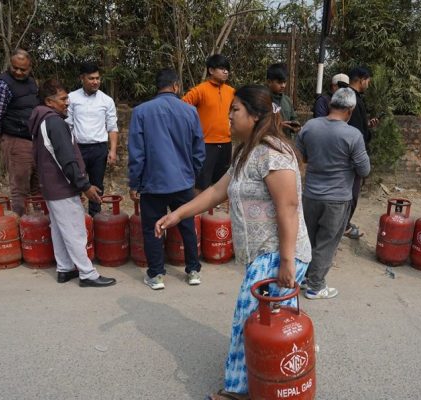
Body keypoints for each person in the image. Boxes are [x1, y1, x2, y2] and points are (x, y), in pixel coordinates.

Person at [155, 85, 311, 399]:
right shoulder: (245, 152)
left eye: (235, 109)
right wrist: (177, 215)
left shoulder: (273, 153)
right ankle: (273, 382)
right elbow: (216, 191)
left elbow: (289, 207)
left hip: (276, 253)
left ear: (255, 115)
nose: (229, 116)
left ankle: (238, 390)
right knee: (264, 322)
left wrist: (286, 261)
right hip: (262, 255)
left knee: (247, 319)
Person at [28, 79, 116, 288]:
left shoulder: (41, 120)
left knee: (59, 229)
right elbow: (66, 160)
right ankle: (87, 274)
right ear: (49, 101)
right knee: (75, 230)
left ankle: (65, 268)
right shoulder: (55, 123)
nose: (67, 102)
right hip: (62, 186)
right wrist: (85, 186)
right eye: (63, 99)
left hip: (50, 186)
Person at [128, 69, 205, 289]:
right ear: (176, 86)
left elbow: (137, 153)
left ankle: (156, 275)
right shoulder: (190, 111)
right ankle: (193, 271)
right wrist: (191, 174)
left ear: (158, 86)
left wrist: (135, 183)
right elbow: (199, 150)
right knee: (187, 225)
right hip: (183, 182)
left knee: (153, 228)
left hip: (153, 184)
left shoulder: (141, 112)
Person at [297, 88, 371, 300]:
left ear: (331, 105)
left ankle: (304, 277)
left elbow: (301, 156)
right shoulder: (353, 135)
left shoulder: (310, 126)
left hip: (310, 195)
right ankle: (315, 286)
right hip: (337, 199)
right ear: (350, 110)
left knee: (308, 239)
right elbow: (364, 170)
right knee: (326, 243)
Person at [0, 49, 39, 216]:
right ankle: (21, 224)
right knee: (20, 189)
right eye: (15, 67)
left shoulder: (32, 83)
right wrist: (9, 134)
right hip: (16, 141)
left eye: (23, 69)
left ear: (30, 67)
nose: (18, 72)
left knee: (39, 187)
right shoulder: (2, 85)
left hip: (35, 140)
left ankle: (40, 223)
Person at [67, 62, 119, 217]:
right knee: (76, 183)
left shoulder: (106, 100)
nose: (95, 81)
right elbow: (68, 125)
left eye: (97, 78)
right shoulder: (71, 98)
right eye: (91, 78)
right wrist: (69, 149)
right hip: (78, 148)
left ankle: (96, 217)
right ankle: (76, 217)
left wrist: (113, 151)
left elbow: (112, 127)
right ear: (82, 78)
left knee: (97, 184)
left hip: (99, 149)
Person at [183, 54, 235, 193]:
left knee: (223, 183)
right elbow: (181, 108)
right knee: (201, 183)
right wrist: (193, 128)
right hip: (205, 144)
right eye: (222, 68)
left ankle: (217, 208)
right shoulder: (200, 90)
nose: (226, 72)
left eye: (227, 69)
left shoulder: (231, 92)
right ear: (211, 70)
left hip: (226, 142)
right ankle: (198, 207)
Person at [345, 66, 378, 240]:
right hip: (352, 156)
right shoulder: (353, 100)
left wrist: (367, 126)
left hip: (347, 153)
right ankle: (344, 226)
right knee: (351, 194)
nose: (368, 84)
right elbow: (356, 132)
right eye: (368, 81)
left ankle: (343, 223)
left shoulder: (350, 98)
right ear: (362, 79)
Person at [266, 63, 300, 139]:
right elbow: (257, 124)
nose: (283, 86)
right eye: (279, 82)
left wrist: (295, 125)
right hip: (268, 141)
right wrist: (278, 125)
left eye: (284, 82)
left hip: (286, 141)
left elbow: (293, 118)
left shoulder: (287, 100)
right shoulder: (262, 99)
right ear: (269, 82)